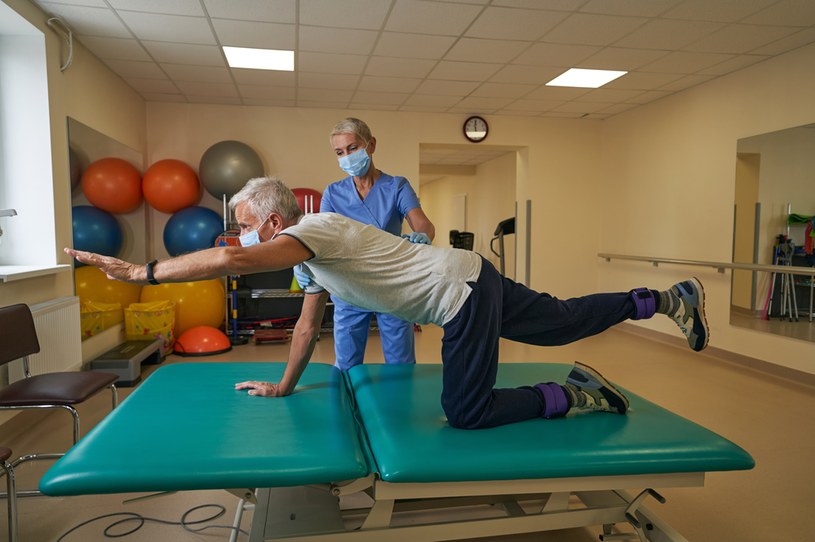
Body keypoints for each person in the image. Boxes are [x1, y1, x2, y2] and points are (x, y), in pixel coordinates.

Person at [66, 176, 710, 430]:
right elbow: (305, 329)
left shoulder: (314, 230)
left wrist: (143, 271)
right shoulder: (309, 263)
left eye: (242, 221)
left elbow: (232, 259)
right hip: (468, 275)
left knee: (466, 412)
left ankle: (575, 397)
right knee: (563, 322)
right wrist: (287, 387)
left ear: (271, 221)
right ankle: (664, 298)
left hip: (457, 294)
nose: (237, 235)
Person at [308, 117, 435, 371]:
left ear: (371, 145)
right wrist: (305, 264)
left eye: (353, 148)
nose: (347, 156)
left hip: (391, 283)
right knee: (346, 362)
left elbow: (423, 223)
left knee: (401, 362)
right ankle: (346, 407)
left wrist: (422, 236)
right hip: (350, 285)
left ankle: (400, 407)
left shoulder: (397, 186)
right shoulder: (333, 193)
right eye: (340, 152)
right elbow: (319, 233)